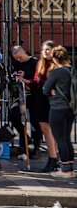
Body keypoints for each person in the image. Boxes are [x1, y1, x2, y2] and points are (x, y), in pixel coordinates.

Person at [42, 46, 74, 178]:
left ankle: (65, 170)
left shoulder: (56, 72)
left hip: (57, 107)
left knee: (60, 139)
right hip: (71, 108)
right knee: (67, 138)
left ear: (55, 59)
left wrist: (52, 91)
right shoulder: (73, 70)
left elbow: (45, 89)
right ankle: (71, 169)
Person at [30, 40, 59, 172]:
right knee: (45, 128)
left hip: (52, 98)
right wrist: (26, 81)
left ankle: (53, 158)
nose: (45, 52)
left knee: (51, 129)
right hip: (41, 97)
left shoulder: (57, 65)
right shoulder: (40, 64)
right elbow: (37, 81)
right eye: (43, 50)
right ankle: (53, 157)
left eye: (48, 49)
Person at [10, 45, 40, 158]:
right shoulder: (17, 64)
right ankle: (25, 138)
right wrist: (16, 78)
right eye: (16, 58)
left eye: (20, 57)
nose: (19, 60)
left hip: (35, 94)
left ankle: (35, 147)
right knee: (13, 114)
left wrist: (26, 79)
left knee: (35, 121)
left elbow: (37, 79)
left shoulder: (35, 62)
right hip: (22, 94)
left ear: (24, 53)